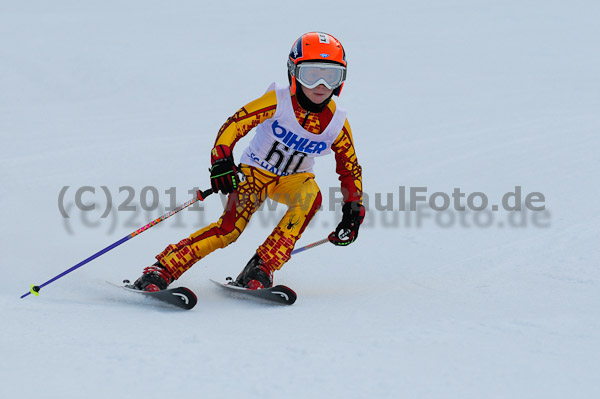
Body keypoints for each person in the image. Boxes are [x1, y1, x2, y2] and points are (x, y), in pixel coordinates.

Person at [132, 32, 365, 291]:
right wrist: (222, 161)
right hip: (253, 174)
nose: (321, 85)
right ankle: (162, 269)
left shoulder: (336, 123)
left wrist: (353, 210)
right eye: (311, 75)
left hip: (293, 180)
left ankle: (261, 267)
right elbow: (234, 125)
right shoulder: (278, 101)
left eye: (330, 76)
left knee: (310, 196)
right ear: (293, 72)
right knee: (229, 230)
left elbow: (350, 168)